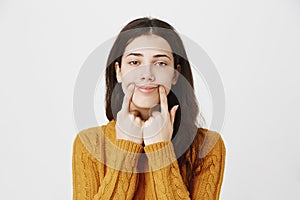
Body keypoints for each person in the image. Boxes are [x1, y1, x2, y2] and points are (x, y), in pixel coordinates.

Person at [72, 17, 226, 200]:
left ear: (175, 74)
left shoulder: (207, 145)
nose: (146, 74)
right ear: (118, 71)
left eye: (160, 63)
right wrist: (127, 148)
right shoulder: (90, 143)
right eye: (134, 63)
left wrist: (160, 149)